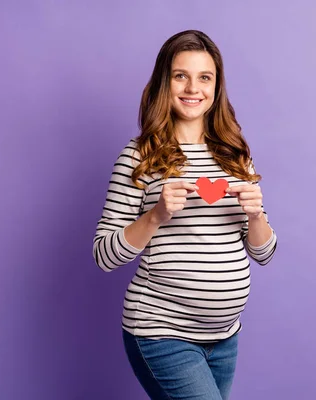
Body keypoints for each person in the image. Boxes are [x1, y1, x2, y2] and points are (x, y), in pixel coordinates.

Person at [92, 30, 277, 400]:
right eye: (181, 75)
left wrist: (256, 216)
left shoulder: (235, 155)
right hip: (160, 332)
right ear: (165, 81)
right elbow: (103, 256)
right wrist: (157, 214)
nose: (193, 87)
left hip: (225, 338)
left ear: (216, 86)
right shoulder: (139, 156)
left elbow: (264, 253)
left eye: (204, 77)